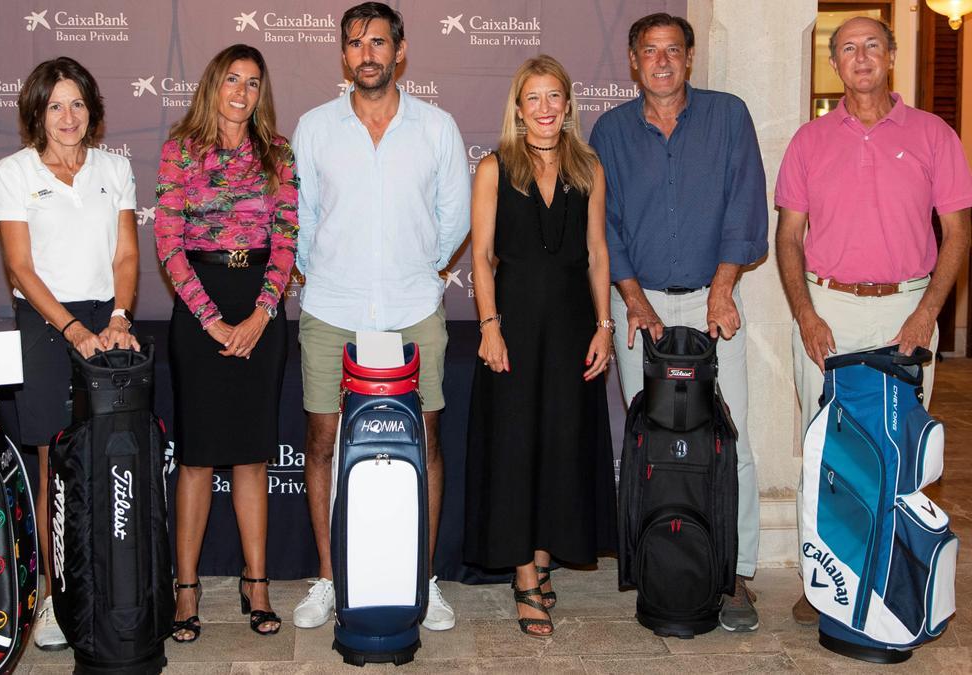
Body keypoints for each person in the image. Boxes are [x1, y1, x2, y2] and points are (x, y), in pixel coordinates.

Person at [774, 16, 972, 625]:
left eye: (872, 47)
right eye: (848, 49)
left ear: (890, 57)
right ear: (835, 63)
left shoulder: (935, 134)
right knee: (825, 452)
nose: (861, 58)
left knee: (900, 452)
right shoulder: (808, 140)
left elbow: (958, 233)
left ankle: (892, 575)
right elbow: (787, 237)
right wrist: (805, 313)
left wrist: (926, 315)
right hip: (827, 307)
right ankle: (823, 582)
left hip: (906, 310)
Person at [290, 1, 470, 632]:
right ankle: (328, 579)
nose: (366, 53)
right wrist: (324, 273)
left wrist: (420, 271)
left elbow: (456, 220)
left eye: (377, 42)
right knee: (321, 439)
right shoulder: (313, 128)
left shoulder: (437, 127)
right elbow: (302, 220)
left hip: (413, 307)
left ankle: (423, 579)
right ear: (344, 55)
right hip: (331, 307)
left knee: (426, 438)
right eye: (354, 43)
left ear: (400, 50)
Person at [589, 12, 768, 632]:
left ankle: (737, 571)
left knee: (729, 435)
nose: (661, 61)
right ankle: (656, 563)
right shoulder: (609, 130)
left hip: (712, 303)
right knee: (649, 443)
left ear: (689, 59)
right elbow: (604, 223)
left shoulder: (729, 116)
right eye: (648, 51)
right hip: (640, 307)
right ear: (633, 62)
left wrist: (723, 288)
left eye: (672, 50)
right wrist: (633, 301)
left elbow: (745, 204)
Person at [463, 55, 615, 638]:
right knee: (516, 446)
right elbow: (480, 256)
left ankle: (545, 559)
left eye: (556, 97)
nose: (546, 108)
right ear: (519, 106)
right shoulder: (495, 167)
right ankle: (525, 576)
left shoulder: (589, 168)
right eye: (535, 98)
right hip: (515, 327)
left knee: (561, 444)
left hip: (575, 327)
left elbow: (598, 252)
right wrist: (489, 324)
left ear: (568, 104)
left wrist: (603, 325)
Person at [0, 56, 140, 651]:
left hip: (111, 322)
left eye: (77, 103)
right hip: (47, 323)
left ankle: (111, 584)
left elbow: (126, 255)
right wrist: (74, 329)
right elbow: (20, 267)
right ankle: (54, 599)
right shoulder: (14, 171)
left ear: (92, 110)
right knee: (55, 463)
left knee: (112, 458)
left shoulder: (115, 167)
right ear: (37, 112)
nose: (68, 116)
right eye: (55, 105)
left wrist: (119, 318)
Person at [155, 43, 298, 642]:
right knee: (195, 458)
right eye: (233, 79)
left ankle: (256, 582)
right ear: (214, 84)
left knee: (251, 456)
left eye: (253, 82)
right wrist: (214, 323)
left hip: (261, 309)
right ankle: (185, 588)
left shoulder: (278, 154)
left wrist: (262, 314)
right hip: (199, 310)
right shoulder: (179, 152)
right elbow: (168, 243)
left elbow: (287, 238)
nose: (242, 91)